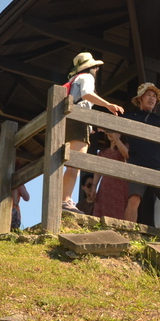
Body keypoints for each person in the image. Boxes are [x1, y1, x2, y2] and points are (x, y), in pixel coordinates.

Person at [61, 52, 124, 212]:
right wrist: (108, 105)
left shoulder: (72, 80)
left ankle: (61, 198)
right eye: (96, 68)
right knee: (76, 163)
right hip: (78, 121)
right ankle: (65, 200)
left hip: (66, 121)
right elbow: (87, 94)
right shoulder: (86, 78)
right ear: (93, 67)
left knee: (69, 163)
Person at [122, 82, 160, 234]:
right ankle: (128, 234)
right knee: (134, 199)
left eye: (154, 96)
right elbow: (115, 132)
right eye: (149, 95)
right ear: (140, 98)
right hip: (137, 163)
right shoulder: (129, 117)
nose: (152, 99)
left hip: (157, 165)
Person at [89, 130, 129, 220]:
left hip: (121, 185)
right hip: (105, 185)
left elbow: (127, 155)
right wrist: (94, 186)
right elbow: (98, 170)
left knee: (119, 209)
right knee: (102, 208)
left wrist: (117, 140)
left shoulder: (125, 147)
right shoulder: (103, 152)